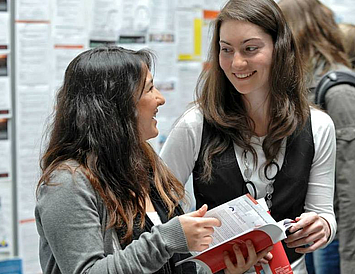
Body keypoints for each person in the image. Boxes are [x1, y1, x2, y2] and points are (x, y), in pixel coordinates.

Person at [34, 45, 272, 274]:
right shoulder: (68, 183)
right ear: (115, 105)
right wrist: (169, 238)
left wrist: (226, 267)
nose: (160, 99)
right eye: (149, 89)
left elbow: (169, 266)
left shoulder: (145, 164)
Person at [160, 0, 337, 273]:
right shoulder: (194, 125)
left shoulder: (319, 126)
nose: (237, 63)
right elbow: (158, 213)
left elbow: (323, 212)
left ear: (280, 49)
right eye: (226, 50)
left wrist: (323, 227)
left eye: (250, 49)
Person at [278, 1, 355, 273]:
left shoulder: (338, 89)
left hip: (332, 232)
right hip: (304, 226)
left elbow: (349, 187)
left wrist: (350, 261)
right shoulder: (299, 86)